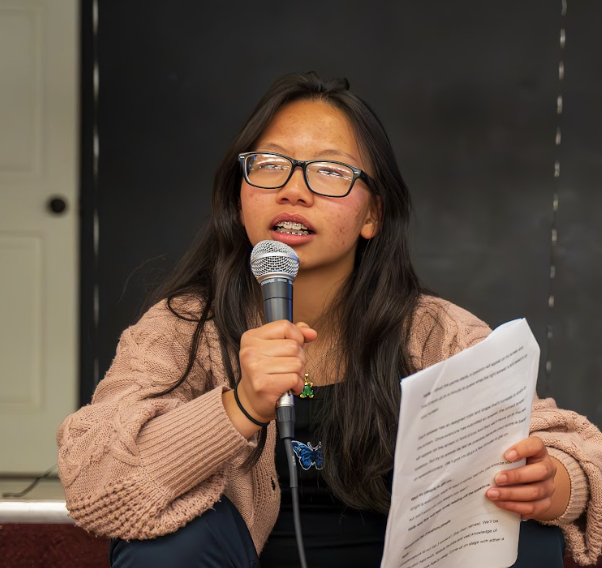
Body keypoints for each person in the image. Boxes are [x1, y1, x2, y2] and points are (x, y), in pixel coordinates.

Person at [57, 72, 602, 567]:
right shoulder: (182, 328)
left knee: (528, 538)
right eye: (269, 165)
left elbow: (577, 451)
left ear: (372, 215)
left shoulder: (437, 331)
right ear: (239, 193)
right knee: (166, 544)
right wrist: (239, 407)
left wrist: (556, 483)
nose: (294, 189)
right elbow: (94, 481)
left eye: (329, 171)